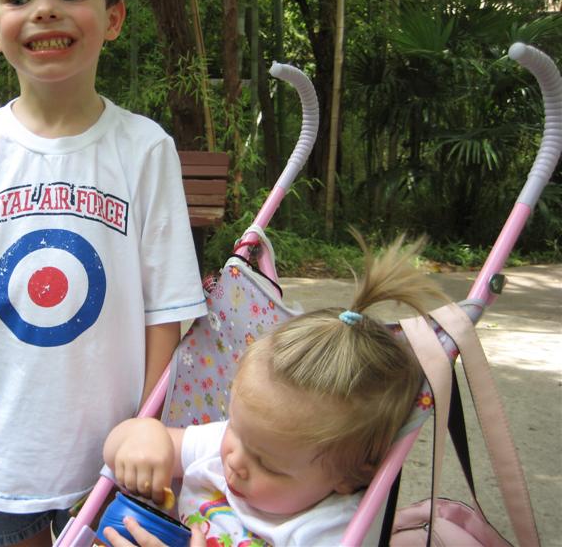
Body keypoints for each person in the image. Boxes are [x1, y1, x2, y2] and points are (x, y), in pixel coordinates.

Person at [0, 0, 207, 545]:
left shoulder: (145, 149)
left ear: (113, 18)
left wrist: (148, 428)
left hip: (116, 453)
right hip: (3, 452)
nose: (45, 11)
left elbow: (165, 313)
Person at [104, 232, 447, 546]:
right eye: (236, 430)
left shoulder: (326, 532)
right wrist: (145, 436)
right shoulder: (232, 446)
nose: (236, 462)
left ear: (346, 477)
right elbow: (123, 443)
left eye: (269, 466)